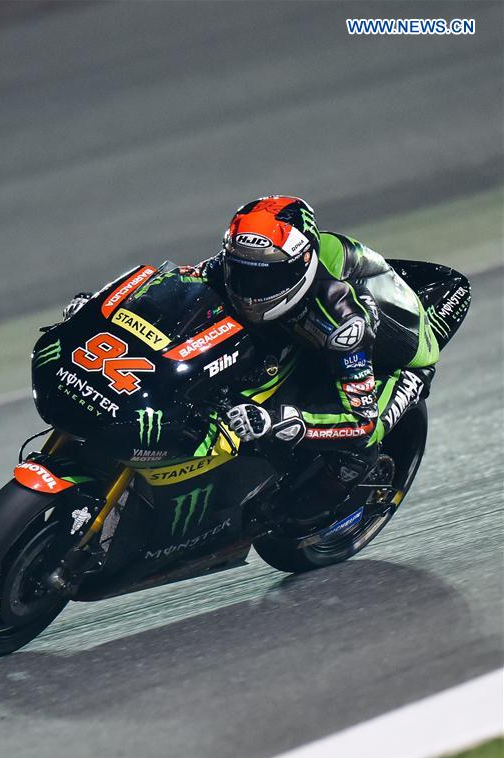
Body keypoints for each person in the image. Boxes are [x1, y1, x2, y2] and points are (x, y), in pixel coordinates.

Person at [64, 196, 471, 529]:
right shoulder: (241, 265)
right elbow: (187, 283)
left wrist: (279, 420)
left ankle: (314, 505)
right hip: (300, 332)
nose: (248, 287)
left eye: (263, 279)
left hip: (392, 363)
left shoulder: (341, 323)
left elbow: (360, 419)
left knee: (357, 445)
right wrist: (104, 310)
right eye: (241, 271)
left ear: (299, 269)